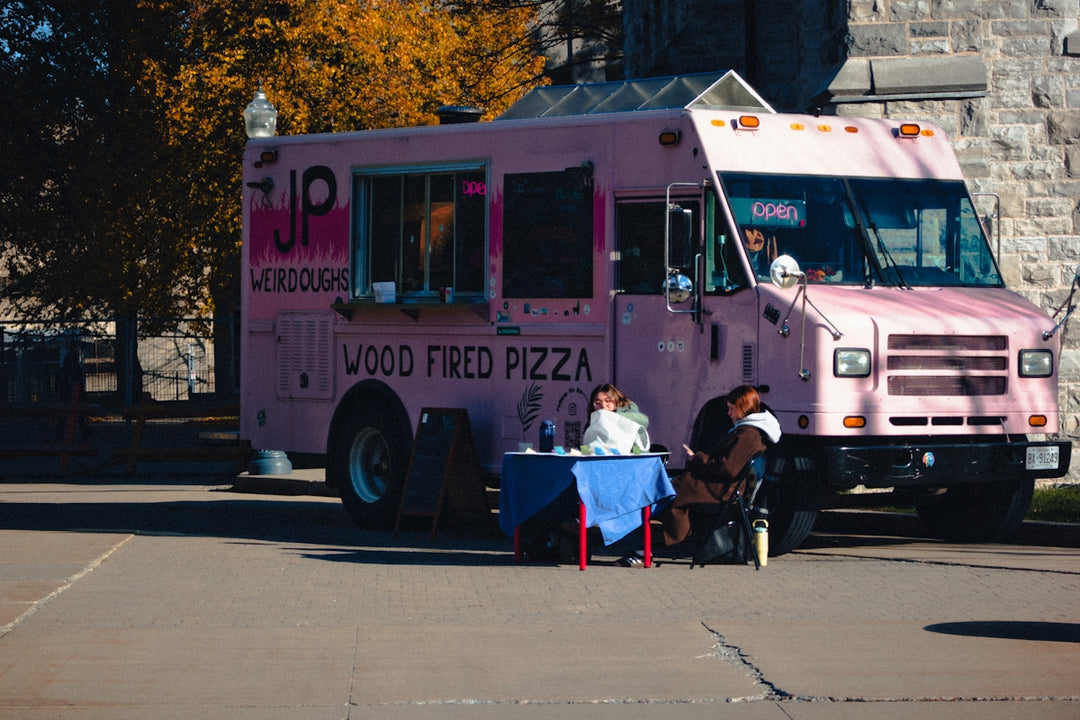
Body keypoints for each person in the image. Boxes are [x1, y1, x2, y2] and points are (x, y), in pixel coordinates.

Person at [613, 385, 779, 566]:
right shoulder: (749, 432)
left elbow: (727, 469)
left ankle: (643, 546)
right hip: (722, 487)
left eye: (731, 408)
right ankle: (650, 544)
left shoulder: (747, 434)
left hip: (720, 489)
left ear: (742, 407)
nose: (729, 413)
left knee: (658, 494)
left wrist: (698, 458)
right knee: (662, 493)